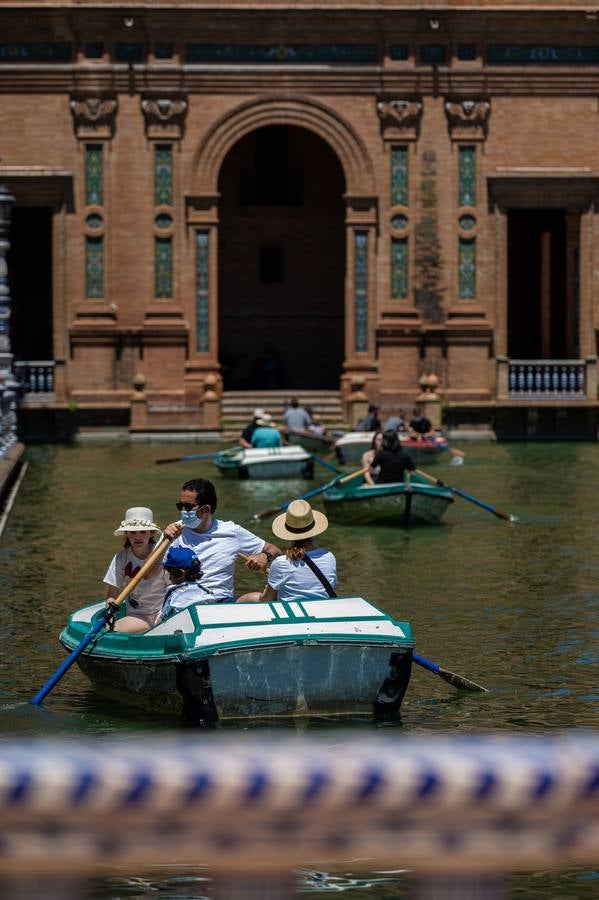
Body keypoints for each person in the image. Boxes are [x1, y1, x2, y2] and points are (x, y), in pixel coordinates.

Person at [163, 478, 282, 602]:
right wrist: (165, 540)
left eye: (187, 507)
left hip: (221, 601)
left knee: (258, 598)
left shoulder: (232, 531)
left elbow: (275, 550)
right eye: (180, 506)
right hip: (183, 600)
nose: (183, 511)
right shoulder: (173, 532)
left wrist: (264, 556)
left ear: (206, 510)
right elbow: (152, 573)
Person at [238, 499, 337, 603]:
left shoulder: (281, 563)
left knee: (247, 598)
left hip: (291, 615)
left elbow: (267, 600)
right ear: (313, 530)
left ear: (288, 532)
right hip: (322, 610)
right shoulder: (329, 557)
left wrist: (269, 586)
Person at [103, 506, 168, 634]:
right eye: (133, 532)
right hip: (137, 614)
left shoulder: (164, 553)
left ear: (151, 533)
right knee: (108, 629)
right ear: (126, 534)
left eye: (143, 532)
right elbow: (112, 594)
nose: (138, 537)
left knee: (114, 630)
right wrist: (109, 616)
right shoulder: (121, 557)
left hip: (160, 613)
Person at [157, 546, 217, 622]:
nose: (168, 573)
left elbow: (161, 622)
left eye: (169, 569)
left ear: (180, 573)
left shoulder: (174, 594)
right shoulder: (208, 593)